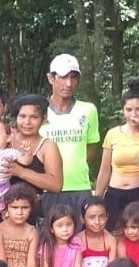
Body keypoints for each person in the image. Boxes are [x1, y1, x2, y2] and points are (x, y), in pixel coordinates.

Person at [37, 53, 101, 221]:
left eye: (74, 77)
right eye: (63, 77)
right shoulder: (38, 112)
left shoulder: (88, 110)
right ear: (51, 78)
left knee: (80, 242)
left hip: (80, 187)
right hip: (47, 190)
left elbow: (91, 147)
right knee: (49, 242)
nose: (69, 83)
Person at [93, 79, 139, 224]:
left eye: (138, 109)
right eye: (128, 110)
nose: (133, 114)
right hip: (115, 195)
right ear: (123, 110)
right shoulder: (113, 134)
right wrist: (97, 199)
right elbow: (104, 170)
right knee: (115, 236)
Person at [4, 94, 64, 216]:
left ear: (44, 118)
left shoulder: (47, 146)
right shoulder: (6, 142)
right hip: (4, 212)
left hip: (34, 213)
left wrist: (21, 172)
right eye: (22, 116)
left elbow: (56, 184)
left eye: (34, 117)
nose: (27, 122)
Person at [76, 195, 119, 267]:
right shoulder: (79, 240)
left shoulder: (110, 240)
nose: (97, 222)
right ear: (82, 219)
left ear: (107, 217)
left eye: (101, 217)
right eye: (92, 217)